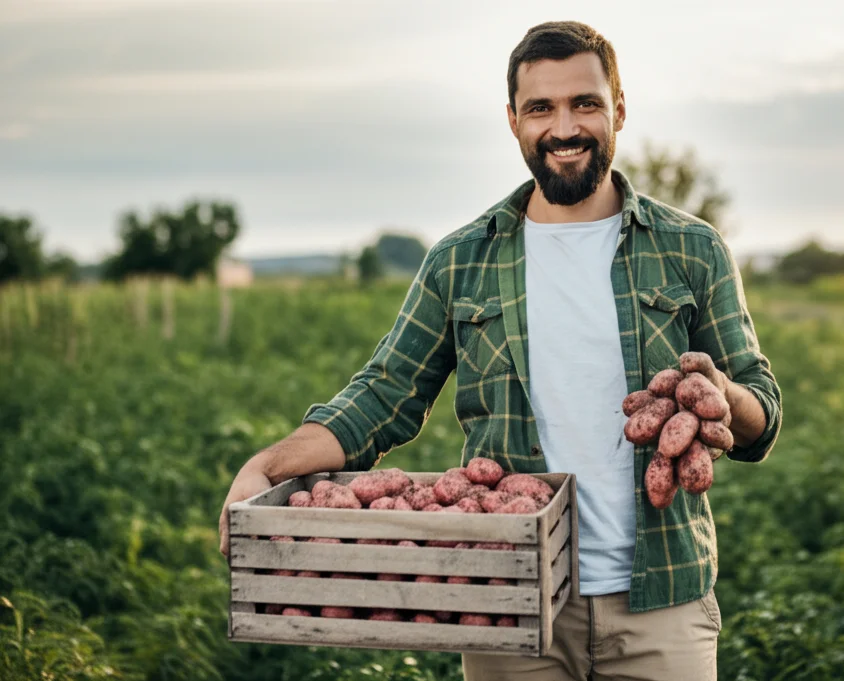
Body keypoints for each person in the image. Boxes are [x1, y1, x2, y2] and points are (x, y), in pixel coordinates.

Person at [218, 20, 782, 681]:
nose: (564, 127)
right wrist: (267, 464)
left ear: (619, 110)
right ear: (513, 120)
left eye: (585, 104)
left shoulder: (692, 249)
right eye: (541, 107)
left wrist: (724, 395)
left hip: (662, 602)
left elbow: (761, 414)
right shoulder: (462, 261)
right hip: (506, 600)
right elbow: (381, 397)